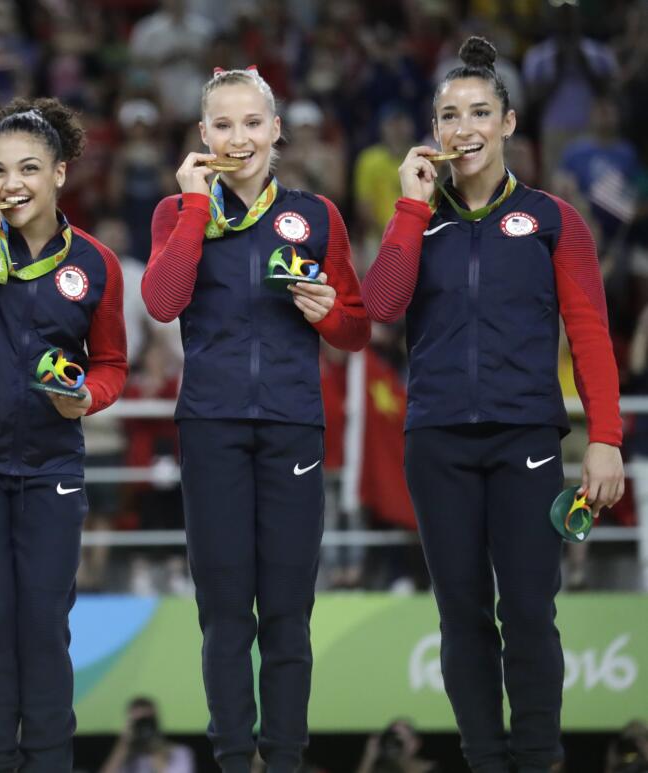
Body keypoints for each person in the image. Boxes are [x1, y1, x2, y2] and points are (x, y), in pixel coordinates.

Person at [361, 37, 625, 773]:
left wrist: (605, 437)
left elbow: (592, 334)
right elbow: (381, 304)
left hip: (528, 441)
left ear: (509, 123)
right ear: (434, 130)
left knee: (530, 612)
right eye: (449, 115)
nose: (464, 126)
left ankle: (538, 760)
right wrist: (410, 210)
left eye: (480, 111)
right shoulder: (417, 218)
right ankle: (485, 759)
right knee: (462, 616)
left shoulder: (553, 220)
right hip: (436, 442)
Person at [142, 67, 370, 773]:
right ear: (203, 135)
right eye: (222, 125)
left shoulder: (317, 215)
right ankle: (234, 758)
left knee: (286, 610)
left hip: (292, 425)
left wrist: (327, 310)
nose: (237, 138)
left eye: (251, 123)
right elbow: (161, 300)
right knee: (224, 612)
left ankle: (288, 757)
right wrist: (189, 209)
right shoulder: (176, 213)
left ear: (276, 130)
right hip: (210, 425)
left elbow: (357, 328)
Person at [0, 96, 128, 772]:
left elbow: (113, 364)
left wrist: (87, 398)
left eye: (29, 168)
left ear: (61, 172)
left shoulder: (95, 263)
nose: (11, 184)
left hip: (50, 465)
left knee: (44, 628)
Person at [100, 697, 195, 773]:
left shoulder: (180, 752)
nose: (143, 727)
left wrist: (155, 747)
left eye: (147, 721)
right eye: (138, 722)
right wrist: (123, 744)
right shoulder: (125, 758)